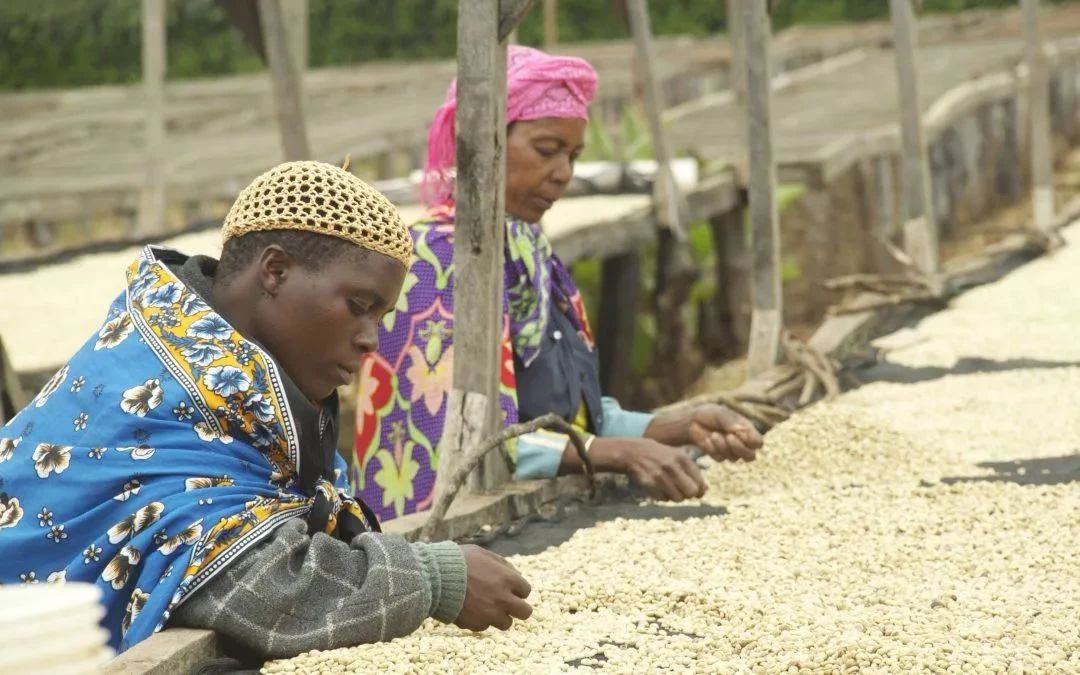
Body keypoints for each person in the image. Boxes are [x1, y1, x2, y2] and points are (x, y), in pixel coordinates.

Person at [0, 162, 532, 659]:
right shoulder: (156, 389)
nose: (371, 340)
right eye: (358, 306)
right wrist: (434, 580)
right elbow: (253, 588)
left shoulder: (238, 393)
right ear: (275, 270)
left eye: (382, 315)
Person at [353, 46, 764, 523]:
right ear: (484, 142)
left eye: (573, 156)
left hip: (540, 514)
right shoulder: (437, 262)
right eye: (547, 150)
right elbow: (463, 442)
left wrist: (683, 426)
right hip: (457, 535)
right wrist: (615, 453)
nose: (564, 174)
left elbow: (580, 418)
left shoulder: (533, 255)